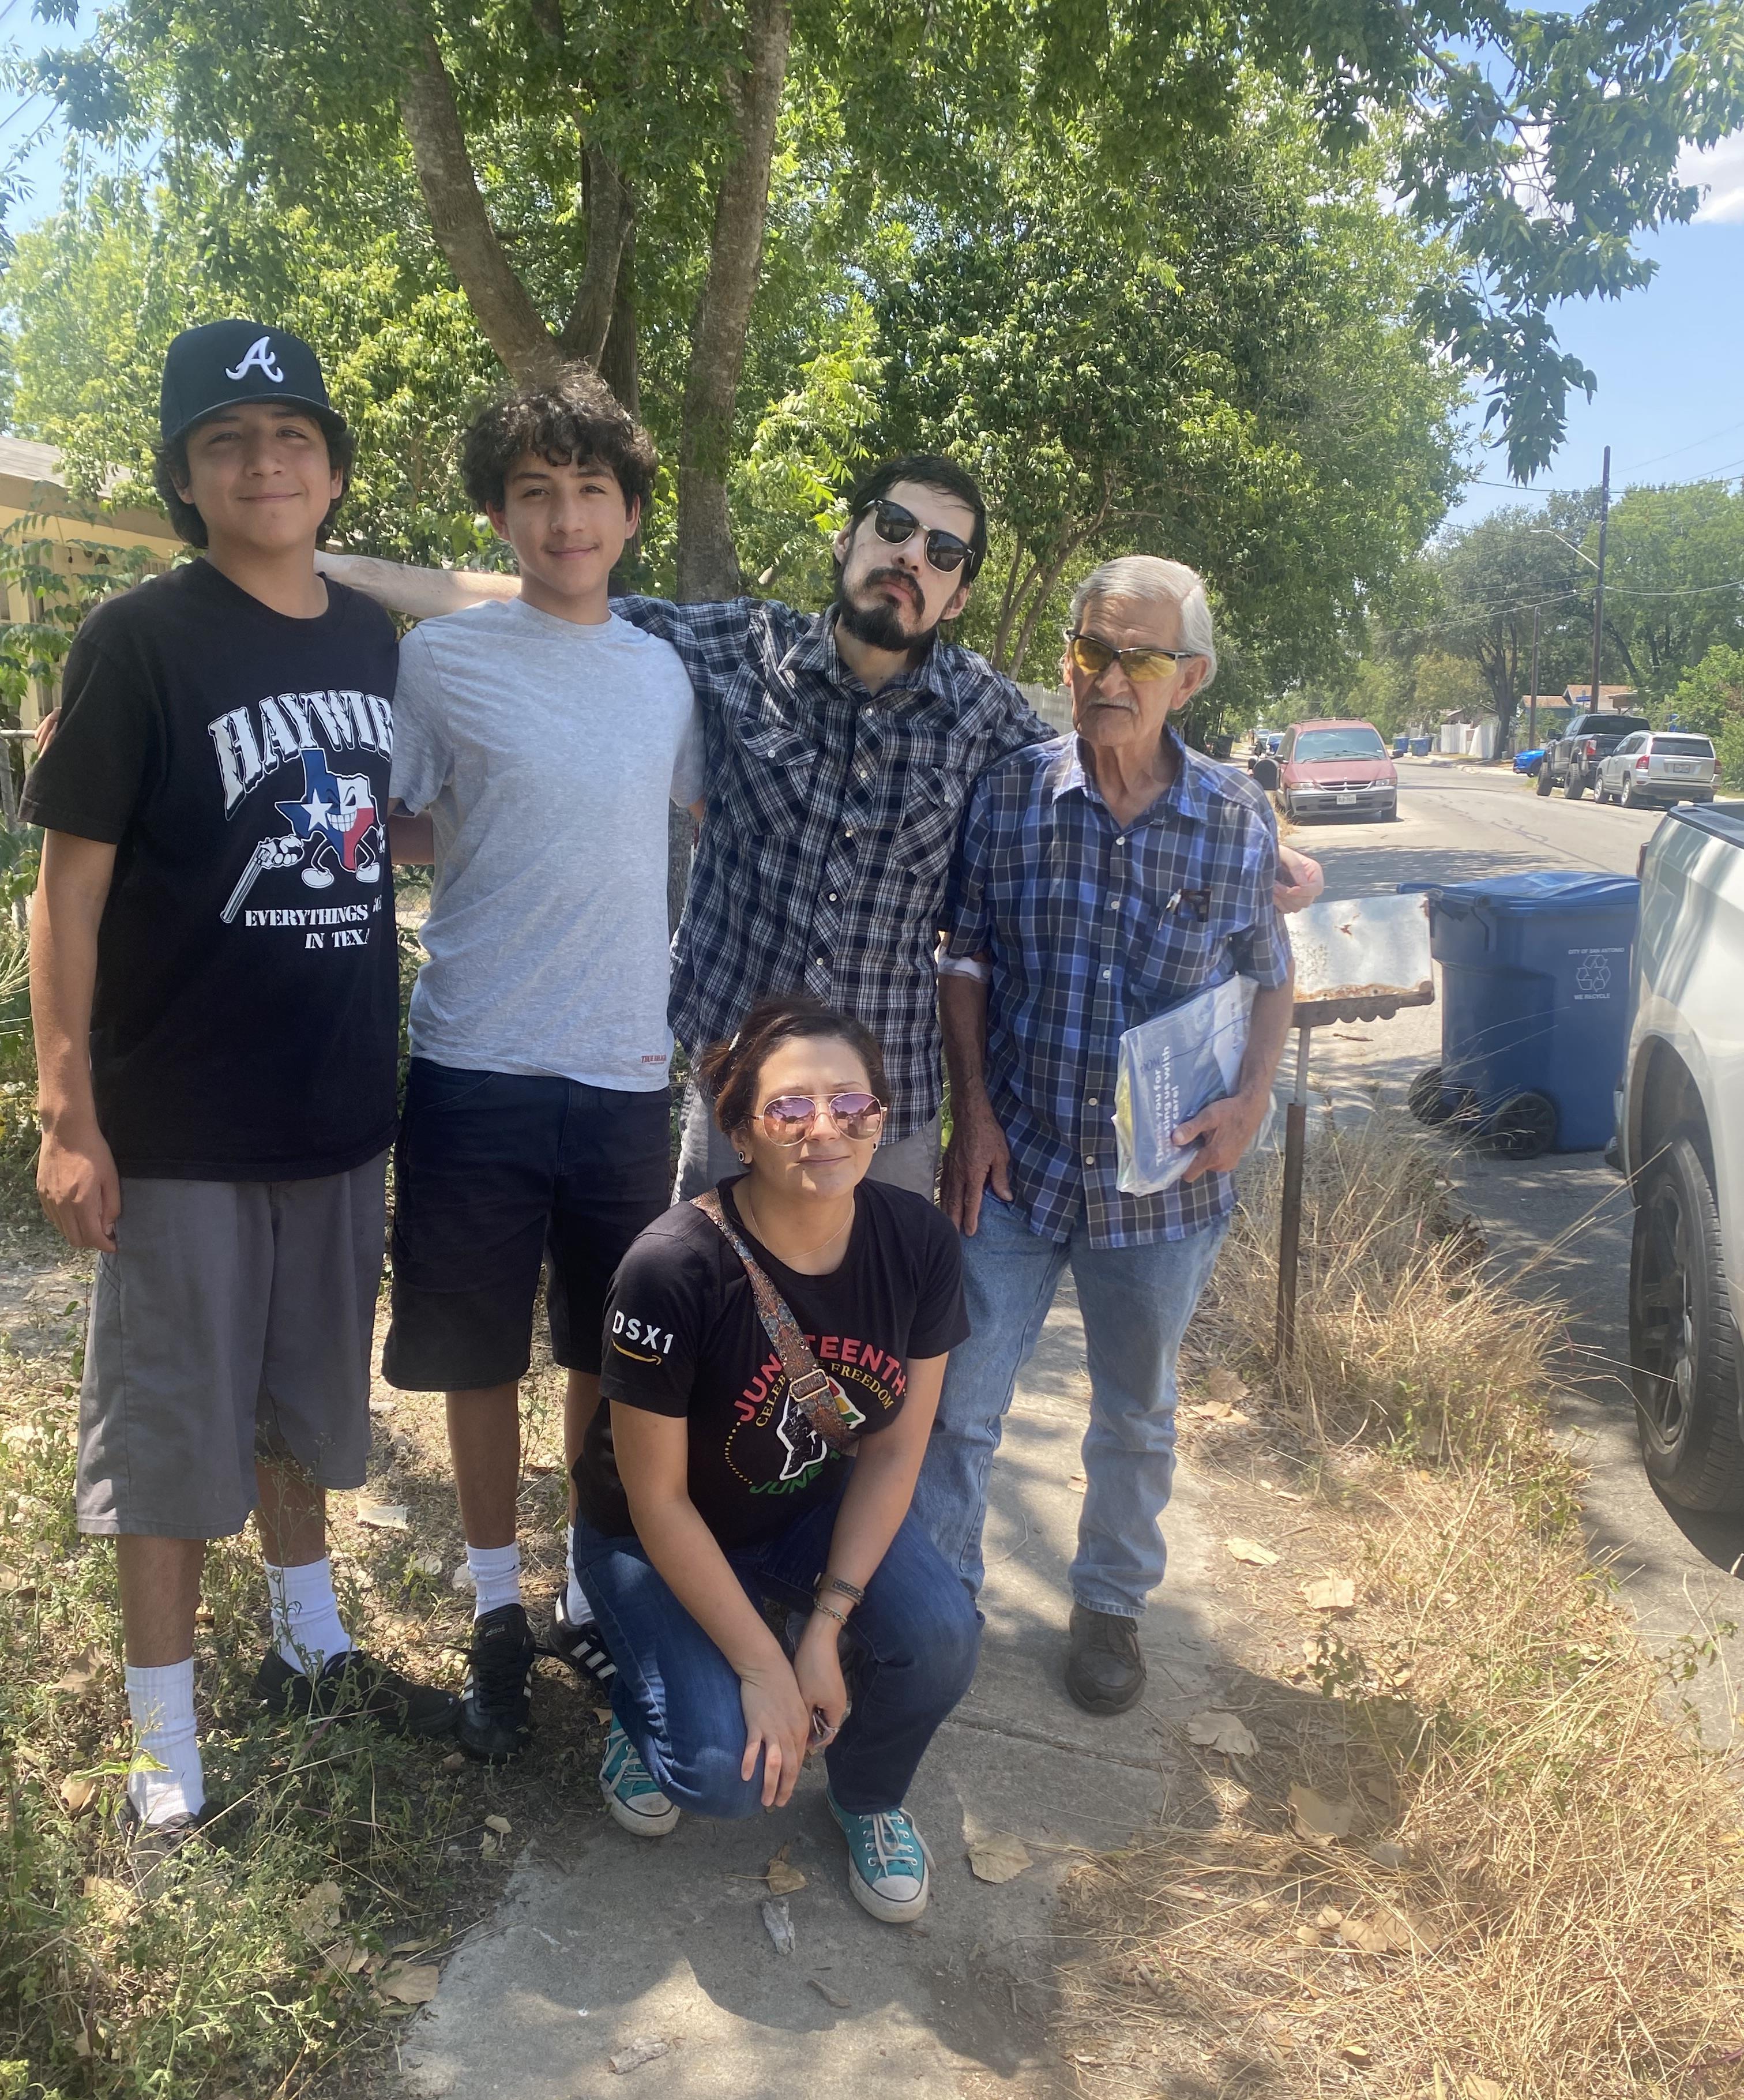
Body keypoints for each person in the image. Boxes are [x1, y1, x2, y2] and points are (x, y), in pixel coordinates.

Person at [320, 460, 1326, 1209]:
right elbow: (555, 604)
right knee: (707, 1354)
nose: (912, 558)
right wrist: (312, 562)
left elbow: (1105, 768)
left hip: (880, 1103)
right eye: (894, 527)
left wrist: (1260, 846)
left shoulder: (985, 715)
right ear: (846, 542)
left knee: (859, 1373)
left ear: (959, 596)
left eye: (944, 553)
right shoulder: (730, 647)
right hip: (734, 1084)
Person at [24, 319, 457, 1880]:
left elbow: (371, 832)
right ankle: (163, 1740)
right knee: (168, 1439)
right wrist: (69, 1114)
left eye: (290, 435)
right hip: (182, 1120)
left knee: (297, 1406)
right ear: (186, 476)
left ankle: (311, 1636)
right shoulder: (140, 641)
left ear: (333, 470)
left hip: (338, 1109)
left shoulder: (369, 642)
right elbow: (63, 896)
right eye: (226, 441)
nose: (263, 461)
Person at [379, 367, 702, 1762]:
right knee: (474, 1358)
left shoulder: (669, 670)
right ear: (500, 517)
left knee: (602, 1351)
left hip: (630, 1072)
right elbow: (399, 831)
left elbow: (674, 823)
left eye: (589, 491)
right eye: (534, 493)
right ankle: (493, 1614)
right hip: (474, 1061)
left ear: (629, 514)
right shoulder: (441, 661)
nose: (564, 518)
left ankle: (583, 1590)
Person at [914, 556, 1294, 1716]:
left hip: (1163, 1188)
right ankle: (939, 1610)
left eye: (1137, 658)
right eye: (1091, 651)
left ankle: (1112, 1607)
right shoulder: (1011, 796)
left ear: (1191, 679)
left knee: (1134, 1412)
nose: (1107, 678)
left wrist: (1250, 1102)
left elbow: (1268, 972)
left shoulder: (1234, 818)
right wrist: (969, 1114)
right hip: (1015, 1164)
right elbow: (965, 956)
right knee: (961, 1407)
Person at [569, 997, 978, 1924]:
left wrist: (823, 1631)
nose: (824, 1129)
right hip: (653, 1537)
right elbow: (657, 1499)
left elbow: (896, 1448)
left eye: (850, 1103)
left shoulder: (918, 1245)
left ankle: (869, 1797)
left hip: (803, 1513)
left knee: (943, 1636)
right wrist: (764, 1667)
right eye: (790, 1109)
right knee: (720, 1776)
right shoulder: (671, 1269)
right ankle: (640, 1699)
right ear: (741, 1133)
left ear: (882, 1117)